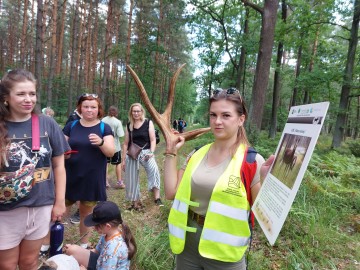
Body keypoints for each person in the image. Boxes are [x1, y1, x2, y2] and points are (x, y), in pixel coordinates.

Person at [163, 87, 275, 269]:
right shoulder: (196, 154)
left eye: (226, 115)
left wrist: (266, 181)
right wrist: (170, 151)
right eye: (213, 115)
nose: (217, 121)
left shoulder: (252, 161)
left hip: (226, 254)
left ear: (241, 119)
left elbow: (266, 219)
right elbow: (170, 192)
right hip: (187, 245)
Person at [0, 69, 70, 270]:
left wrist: (59, 203)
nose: (28, 99)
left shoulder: (47, 124)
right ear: (6, 97)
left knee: (30, 262)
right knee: (7, 265)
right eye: (21, 94)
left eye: (32, 93)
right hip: (6, 211)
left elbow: (59, 166)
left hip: (40, 206)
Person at [62, 93, 115, 249]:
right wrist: (63, 154)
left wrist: (100, 142)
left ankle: (84, 246)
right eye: (86, 106)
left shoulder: (104, 128)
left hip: (91, 178)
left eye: (93, 107)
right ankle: (52, 242)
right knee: (59, 212)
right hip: (69, 176)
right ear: (80, 108)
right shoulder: (71, 125)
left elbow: (111, 152)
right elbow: (61, 147)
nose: (89, 110)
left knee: (85, 213)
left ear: (99, 109)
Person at [64, 201, 137, 270]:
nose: (93, 227)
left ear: (108, 226)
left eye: (96, 225)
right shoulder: (109, 233)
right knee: (71, 250)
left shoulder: (112, 250)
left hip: (105, 265)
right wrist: (78, 250)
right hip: (102, 262)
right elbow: (97, 251)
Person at [122, 103, 163, 210]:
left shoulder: (148, 123)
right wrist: (123, 160)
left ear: (142, 112)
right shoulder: (129, 125)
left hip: (146, 152)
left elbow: (153, 139)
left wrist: (151, 152)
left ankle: (157, 198)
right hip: (132, 153)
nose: (136, 113)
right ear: (131, 112)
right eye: (134, 111)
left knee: (154, 171)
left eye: (138, 111)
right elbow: (126, 143)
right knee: (131, 178)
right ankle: (135, 202)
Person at [102, 106, 125, 189]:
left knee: (105, 163)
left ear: (108, 112)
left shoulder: (103, 120)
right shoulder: (117, 122)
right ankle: (119, 182)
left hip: (105, 145)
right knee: (118, 164)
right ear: (116, 113)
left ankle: (105, 182)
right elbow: (121, 134)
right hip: (115, 146)